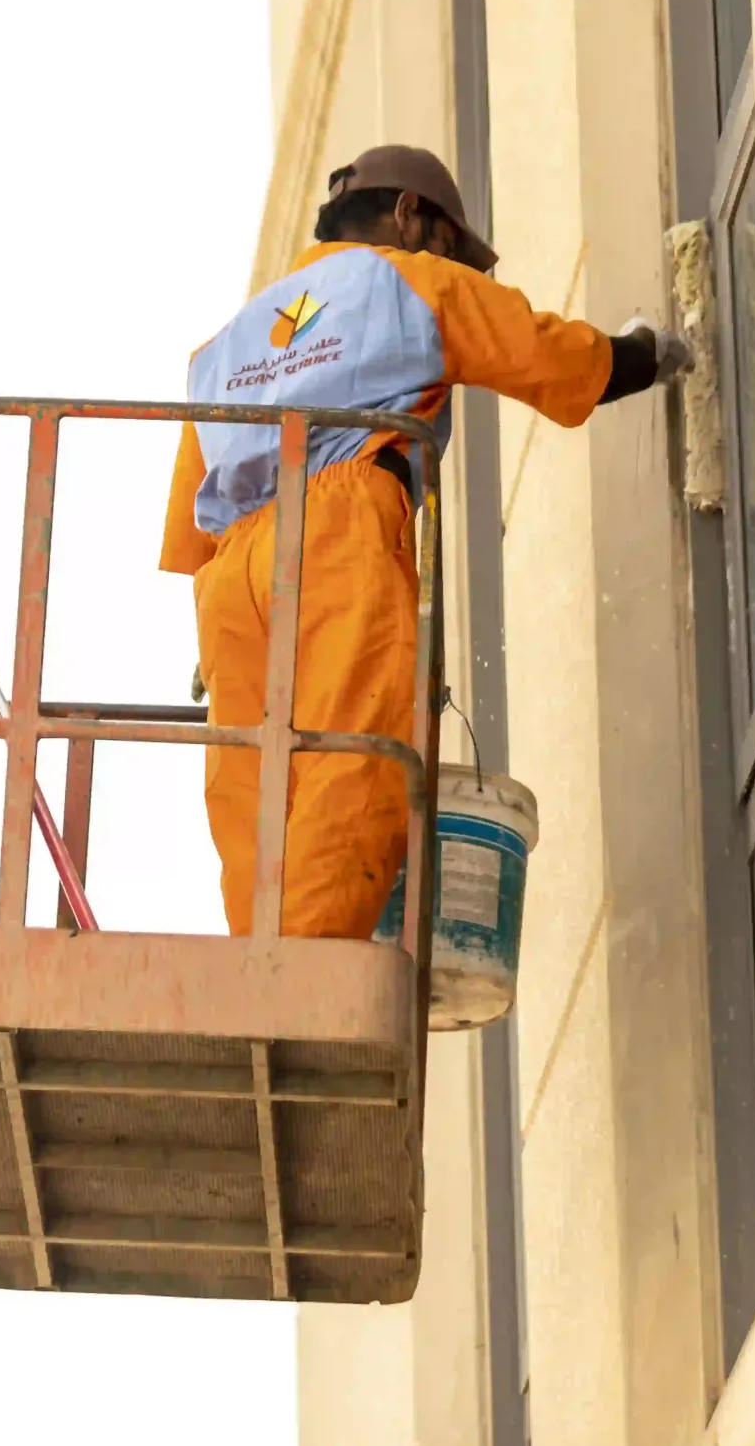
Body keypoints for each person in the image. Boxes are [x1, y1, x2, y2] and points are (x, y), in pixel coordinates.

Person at [161, 145, 691, 940]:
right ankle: (306, 975)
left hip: (231, 581)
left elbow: (190, 532)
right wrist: (647, 353)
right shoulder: (407, 282)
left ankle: (257, 971)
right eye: (447, 243)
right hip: (337, 532)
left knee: (256, 792)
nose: (451, 263)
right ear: (409, 216)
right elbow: (547, 354)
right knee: (357, 757)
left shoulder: (227, 346)